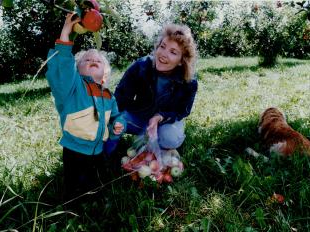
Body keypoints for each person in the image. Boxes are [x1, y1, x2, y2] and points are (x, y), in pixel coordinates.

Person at [45, 13, 126, 200]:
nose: (93, 61)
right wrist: (66, 32)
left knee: (95, 185)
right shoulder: (72, 88)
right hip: (74, 150)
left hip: (98, 150)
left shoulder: (108, 95)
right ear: (77, 69)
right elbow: (64, 65)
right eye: (87, 60)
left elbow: (115, 116)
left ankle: (94, 201)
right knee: (74, 189)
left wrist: (118, 124)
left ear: (105, 74)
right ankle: (71, 206)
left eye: (98, 61)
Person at [112, 23, 198, 150]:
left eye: (173, 52)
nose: (163, 54)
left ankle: (157, 142)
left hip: (164, 122)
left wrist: (160, 116)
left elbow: (182, 111)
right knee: (115, 119)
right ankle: (106, 154)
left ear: (181, 60)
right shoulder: (141, 66)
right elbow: (121, 97)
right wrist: (115, 121)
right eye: (162, 47)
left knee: (170, 138)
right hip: (139, 117)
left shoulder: (189, 82)